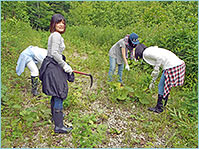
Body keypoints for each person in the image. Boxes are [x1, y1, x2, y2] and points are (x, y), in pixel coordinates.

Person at [39, 14, 74, 133]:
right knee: (59, 93)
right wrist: (64, 65)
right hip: (53, 66)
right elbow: (54, 52)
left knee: (55, 93)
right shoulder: (56, 35)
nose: (61, 25)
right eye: (58, 22)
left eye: (63, 23)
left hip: (53, 65)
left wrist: (63, 64)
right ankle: (59, 126)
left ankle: (56, 118)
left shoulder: (54, 35)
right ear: (53, 23)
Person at [133, 43, 186, 113]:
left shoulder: (146, 53)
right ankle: (162, 105)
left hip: (172, 66)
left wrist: (156, 69)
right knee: (164, 86)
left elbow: (159, 58)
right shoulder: (151, 49)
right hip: (178, 64)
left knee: (161, 86)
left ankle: (159, 108)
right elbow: (158, 63)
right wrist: (153, 81)